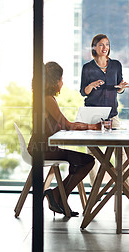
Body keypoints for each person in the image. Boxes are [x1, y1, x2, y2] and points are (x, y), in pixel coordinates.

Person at [28, 61, 100, 217]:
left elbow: (61, 125)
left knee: (80, 161)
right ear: (54, 81)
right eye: (61, 79)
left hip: (44, 147)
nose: (62, 82)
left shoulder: (44, 98)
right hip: (43, 150)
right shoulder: (48, 99)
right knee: (88, 161)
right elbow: (67, 125)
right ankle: (57, 195)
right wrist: (92, 127)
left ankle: (58, 195)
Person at [79, 34, 129, 194]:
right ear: (94, 47)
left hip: (112, 114)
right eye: (100, 45)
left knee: (123, 148)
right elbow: (83, 92)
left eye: (107, 44)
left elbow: (118, 88)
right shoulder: (87, 68)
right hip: (92, 114)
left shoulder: (116, 65)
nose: (104, 47)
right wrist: (90, 86)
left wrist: (121, 87)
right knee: (92, 152)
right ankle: (96, 188)